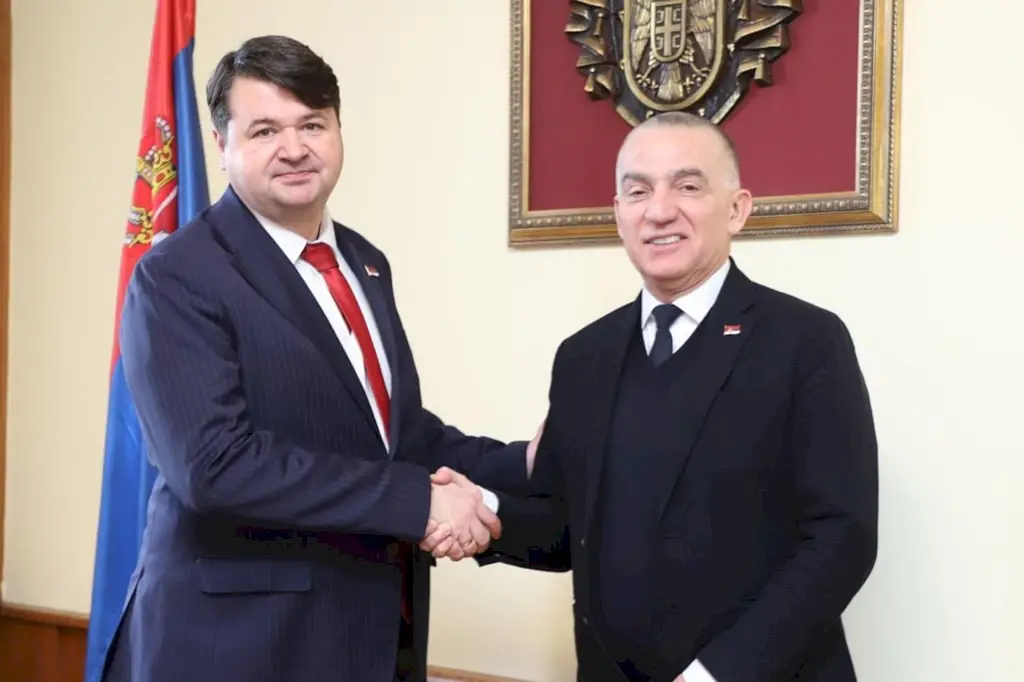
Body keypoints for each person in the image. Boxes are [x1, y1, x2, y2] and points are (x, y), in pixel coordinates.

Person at [101, 35, 535, 682]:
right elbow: (214, 466)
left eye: (312, 124)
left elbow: (389, 434)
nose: (295, 148)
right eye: (265, 130)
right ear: (221, 145)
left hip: (367, 633)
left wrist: (522, 462)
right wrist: (418, 503)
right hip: (237, 646)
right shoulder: (179, 275)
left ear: (337, 130)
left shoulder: (364, 262)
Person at [432, 112, 879, 681]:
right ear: (618, 212)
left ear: (737, 209)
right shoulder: (583, 355)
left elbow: (842, 539)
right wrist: (483, 509)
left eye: (687, 186)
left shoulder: (806, 341)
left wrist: (716, 675)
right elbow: (565, 528)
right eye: (638, 191)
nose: (659, 210)